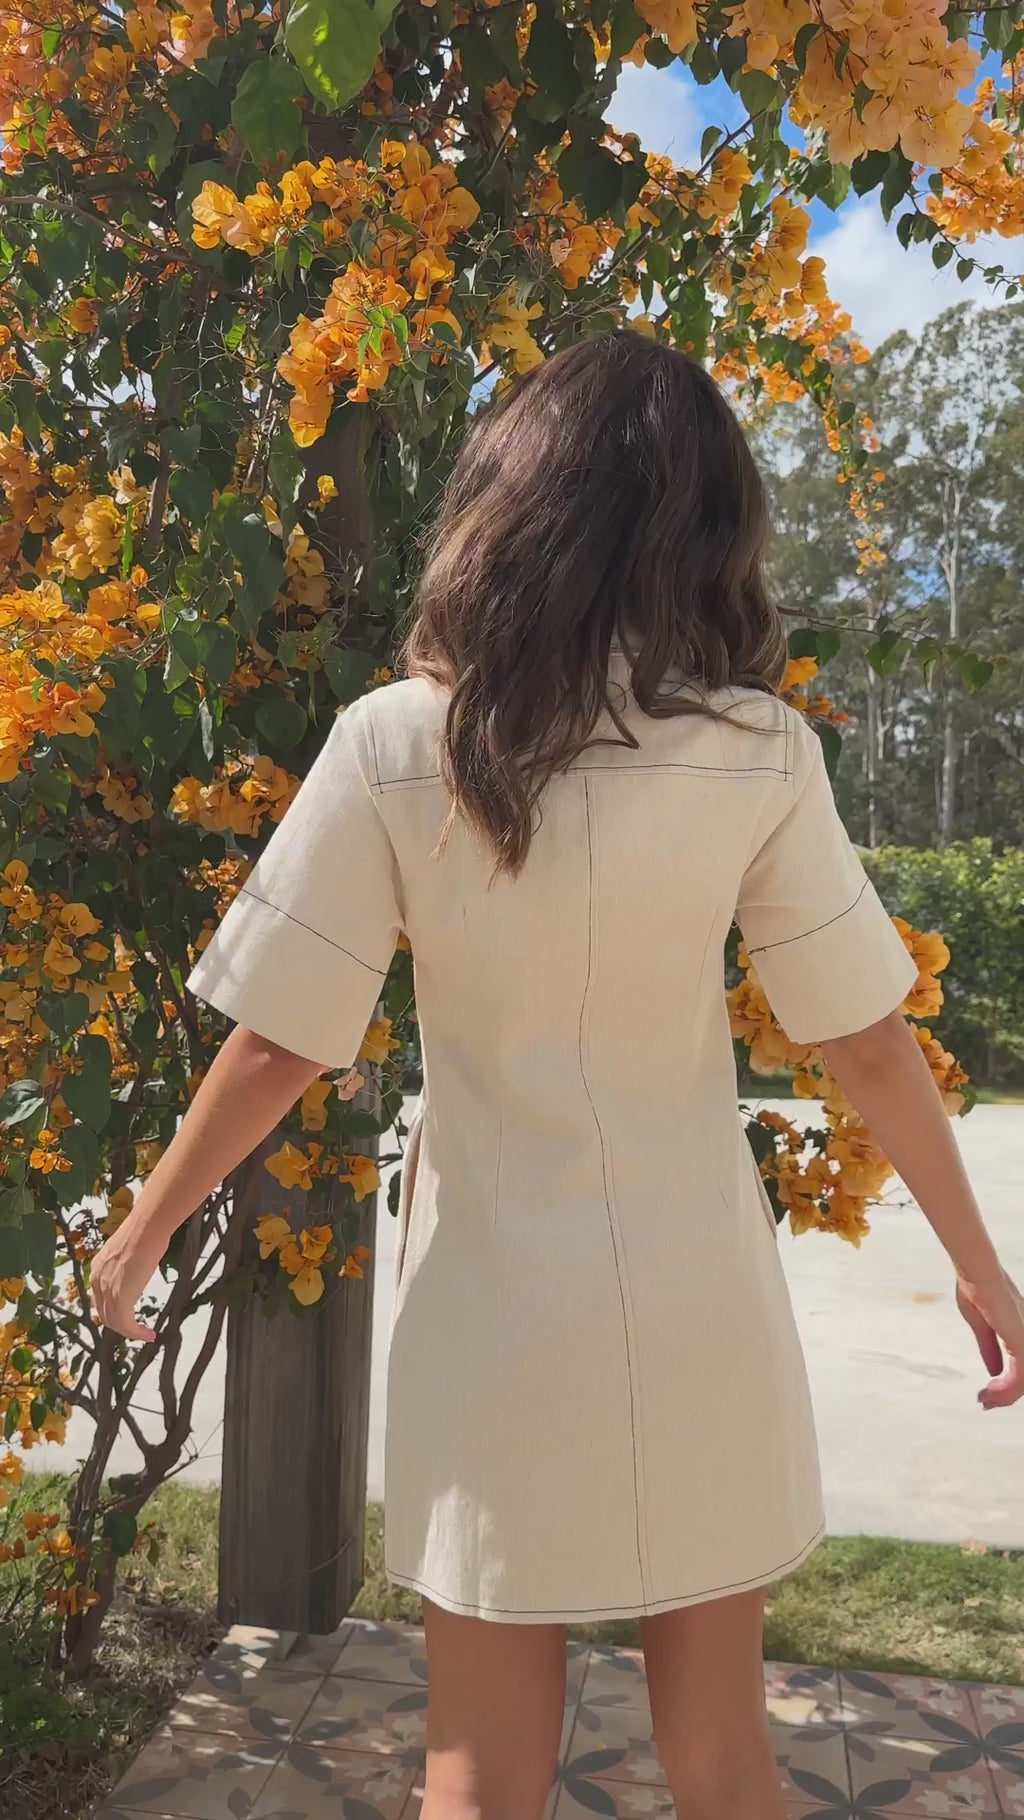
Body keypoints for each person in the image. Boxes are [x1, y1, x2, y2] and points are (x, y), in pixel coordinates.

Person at [90, 331, 1024, 1820]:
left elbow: (280, 1038)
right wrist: (985, 1270)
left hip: (494, 1311)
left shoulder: (401, 743)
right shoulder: (760, 752)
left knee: (477, 1768)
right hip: (695, 1299)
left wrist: (144, 1230)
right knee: (724, 1758)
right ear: (710, 528)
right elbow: (859, 1036)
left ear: (505, 504)